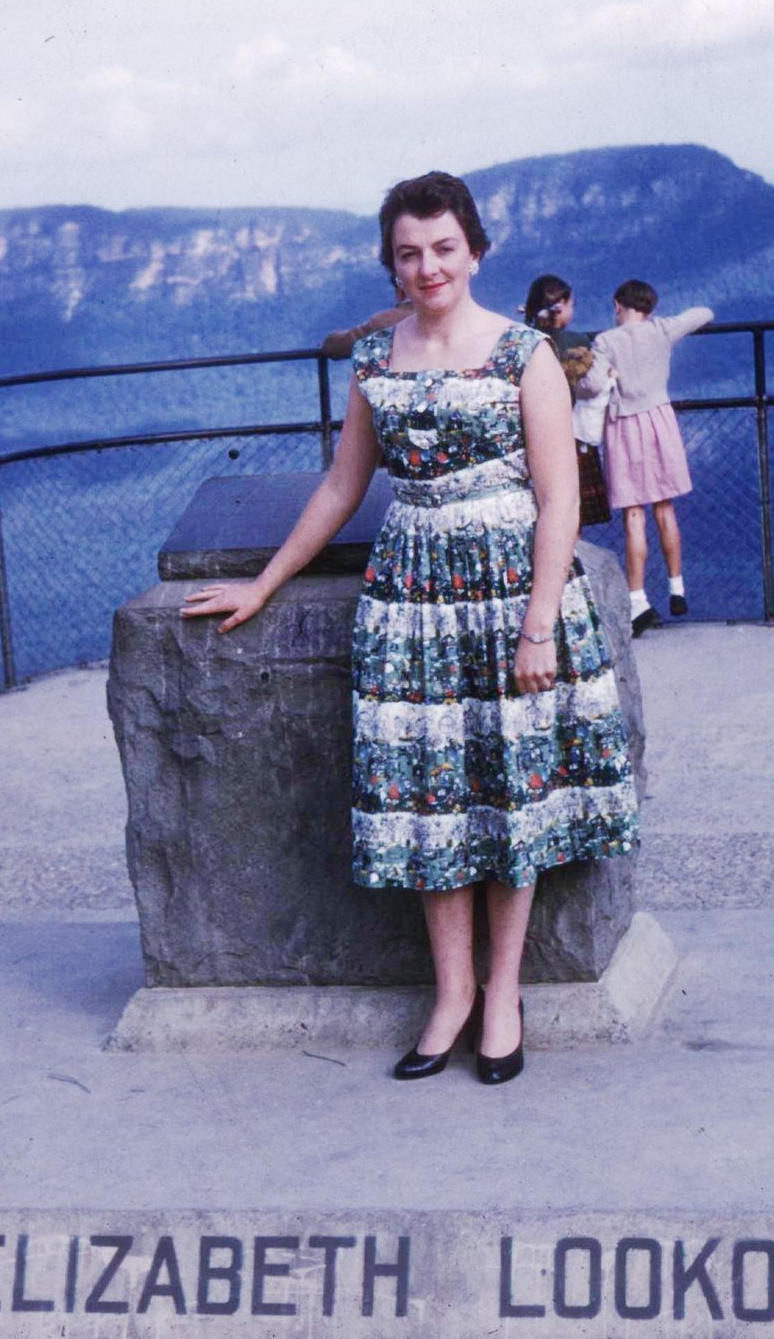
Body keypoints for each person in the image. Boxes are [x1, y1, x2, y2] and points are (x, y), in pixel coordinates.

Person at [180, 172, 639, 1085]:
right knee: (428, 798)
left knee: (511, 794)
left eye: (442, 248)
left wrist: (540, 625)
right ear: (391, 264)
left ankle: (503, 996)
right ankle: (452, 995)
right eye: (408, 253)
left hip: (512, 596)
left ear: (473, 252)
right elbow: (342, 487)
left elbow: (559, 501)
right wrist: (263, 585)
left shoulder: (523, 354)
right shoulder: (375, 360)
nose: (427, 267)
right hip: (413, 601)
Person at [593, 279, 711, 631]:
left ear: (618, 306)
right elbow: (704, 313)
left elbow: (591, 383)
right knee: (665, 507)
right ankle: (677, 586)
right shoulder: (661, 330)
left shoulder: (605, 341)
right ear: (650, 308)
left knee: (634, 514)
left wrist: (610, 374)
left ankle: (637, 599)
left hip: (625, 427)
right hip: (661, 421)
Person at [523, 273, 612, 529]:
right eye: (571, 305)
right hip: (574, 432)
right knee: (571, 506)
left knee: (542, 503)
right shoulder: (577, 342)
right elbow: (592, 383)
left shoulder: (524, 339)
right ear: (559, 307)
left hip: (533, 430)